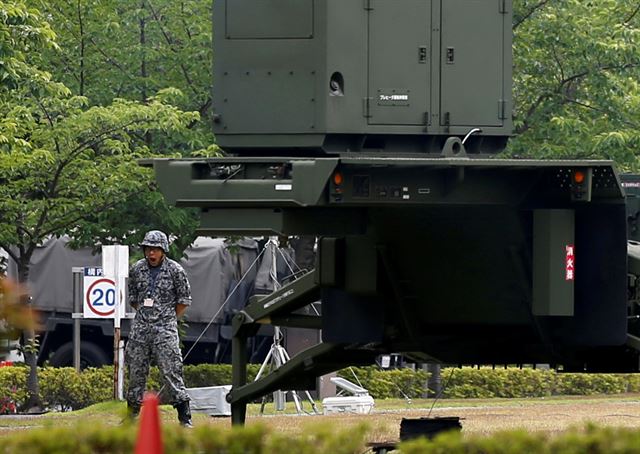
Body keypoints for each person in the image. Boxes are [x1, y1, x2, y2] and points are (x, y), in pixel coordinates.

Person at [125, 230, 193, 427]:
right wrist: (147, 317)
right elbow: (134, 299)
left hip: (165, 330)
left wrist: (165, 318)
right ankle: (131, 414)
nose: (151, 254)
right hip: (141, 329)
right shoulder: (137, 269)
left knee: (171, 371)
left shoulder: (175, 270)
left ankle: (184, 417)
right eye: (148, 249)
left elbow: (183, 301)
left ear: (163, 250)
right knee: (136, 371)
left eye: (155, 250)